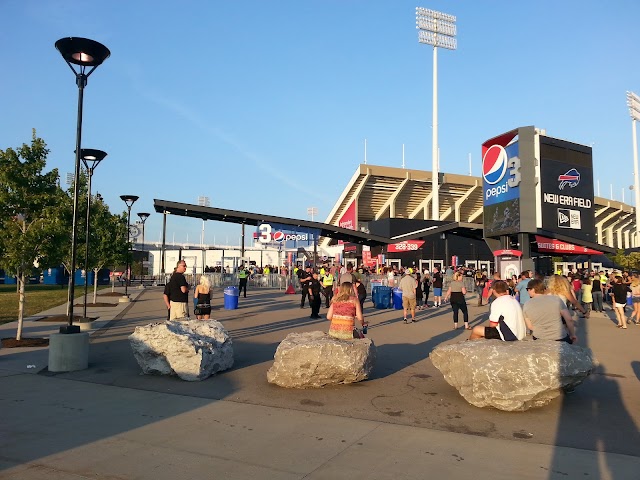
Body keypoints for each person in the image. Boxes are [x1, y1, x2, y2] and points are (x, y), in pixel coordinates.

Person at [523, 279, 577, 343]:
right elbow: (569, 319)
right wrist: (572, 334)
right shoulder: (556, 300)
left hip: (539, 337)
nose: (527, 291)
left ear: (533, 289)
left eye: (528, 289)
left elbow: (530, 326)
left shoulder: (527, 304)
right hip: (559, 336)